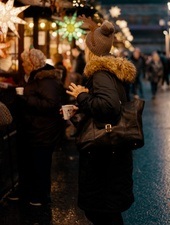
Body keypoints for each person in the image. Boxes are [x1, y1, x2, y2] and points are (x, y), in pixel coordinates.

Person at [66, 19, 137, 225]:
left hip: (104, 156)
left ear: (91, 50)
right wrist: (85, 104)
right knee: (107, 213)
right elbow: (107, 103)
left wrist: (81, 96)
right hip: (113, 153)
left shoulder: (100, 73)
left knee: (102, 213)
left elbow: (109, 107)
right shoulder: (111, 71)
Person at [8, 48, 67, 206]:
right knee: (27, 162)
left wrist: (25, 100)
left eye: (24, 62)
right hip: (31, 129)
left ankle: (41, 195)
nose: (21, 65)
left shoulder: (47, 80)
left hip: (43, 130)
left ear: (31, 63)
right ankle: (26, 191)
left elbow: (51, 104)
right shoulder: (32, 78)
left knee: (40, 164)